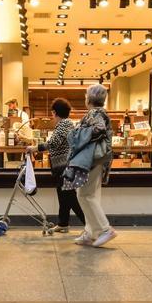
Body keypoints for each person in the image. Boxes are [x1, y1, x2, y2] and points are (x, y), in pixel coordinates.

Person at [63, 84, 116, 247]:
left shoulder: (95, 112)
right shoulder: (101, 112)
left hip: (92, 159)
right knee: (87, 194)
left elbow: (98, 128)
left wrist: (79, 134)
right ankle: (90, 232)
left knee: (85, 194)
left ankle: (105, 229)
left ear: (89, 98)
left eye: (86, 95)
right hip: (97, 159)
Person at [26, 98, 85, 233]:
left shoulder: (63, 125)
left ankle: (90, 225)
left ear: (54, 112)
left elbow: (53, 143)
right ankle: (63, 223)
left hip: (64, 167)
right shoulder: (68, 123)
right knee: (63, 196)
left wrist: (34, 148)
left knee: (70, 197)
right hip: (65, 166)